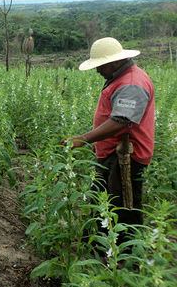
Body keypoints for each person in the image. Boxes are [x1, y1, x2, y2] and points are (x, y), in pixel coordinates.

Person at [64, 37, 155, 251]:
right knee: (103, 199)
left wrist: (82, 139)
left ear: (114, 62)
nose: (98, 70)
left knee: (124, 206)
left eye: (100, 66)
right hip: (112, 153)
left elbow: (121, 121)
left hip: (126, 156)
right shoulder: (122, 77)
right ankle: (98, 245)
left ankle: (124, 258)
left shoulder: (132, 83)